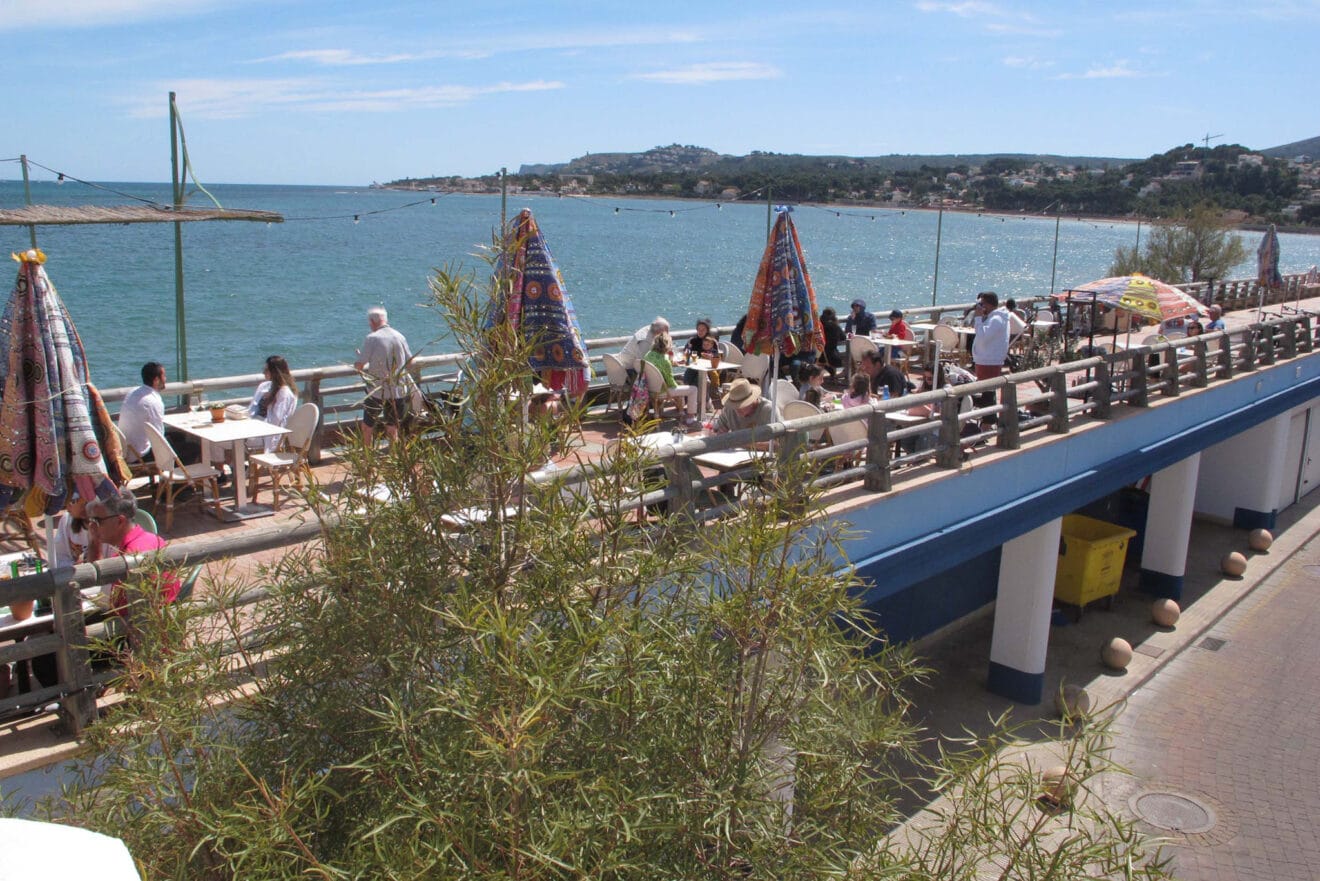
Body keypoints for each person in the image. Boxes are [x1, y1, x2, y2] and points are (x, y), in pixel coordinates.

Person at [86, 487, 181, 621]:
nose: (92, 527)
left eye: (97, 521)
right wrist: (94, 541)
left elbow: (120, 612)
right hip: (155, 623)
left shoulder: (131, 557)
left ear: (120, 521)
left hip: (141, 630)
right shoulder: (149, 539)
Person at [354, 306, 413, 445]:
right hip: (398, 390)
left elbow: (359, 365)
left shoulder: (372, 338)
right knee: (392, 427)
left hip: (377, 390)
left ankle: (367, 457)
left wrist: (359, 360)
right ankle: (394, 455)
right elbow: (410, 362)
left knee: (367, 426)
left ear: (372, 322)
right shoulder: (399, 336)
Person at [246, 355, 299, 452]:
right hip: (254, 424)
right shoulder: (265, 386)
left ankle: (234, 465)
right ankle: (230, 465)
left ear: (275, 372)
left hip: (264, 432)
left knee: (230, 441)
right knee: (218, 440)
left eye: (266, 370)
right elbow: (251, 409)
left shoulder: (284, 393)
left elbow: (275, 421)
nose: (263, 372)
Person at [642, 334, 697, 425]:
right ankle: (690, 417)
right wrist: (680, 387)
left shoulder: (648, 355)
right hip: (662, 391)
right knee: (693, 389)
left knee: (681, 384)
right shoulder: (665, 359)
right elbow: (671, 382)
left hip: (650, 390)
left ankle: (680, 409)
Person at [117, 361, 167, 463]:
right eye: (164, 376)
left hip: (127, 451)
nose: (165, 379)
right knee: (194, 447)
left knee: (178, 437)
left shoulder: (133, 392)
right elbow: (159, 438)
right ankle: (179, 477)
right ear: (156, 380)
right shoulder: (153, 402)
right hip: (140, 456)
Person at [712, 378, 778, 435]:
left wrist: (736, 441)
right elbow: (716, 430)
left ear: (752, 401)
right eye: (734, 406)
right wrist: (719, 433)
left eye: (741, 405)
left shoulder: (769, 410)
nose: (737, 410)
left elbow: (778, 443)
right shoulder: (729, 409)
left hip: (761, 450)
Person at [50, 490, 93, 569]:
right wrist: (74, 567)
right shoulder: (67, 520)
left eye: (72, 501)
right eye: (66, 501)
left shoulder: (103, 527)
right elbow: (59, 556)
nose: (67, 506)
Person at [818, 308, 845, 378]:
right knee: (850, 358)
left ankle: (831, 373)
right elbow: (843, 337)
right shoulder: (835, 327)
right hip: (833, 358)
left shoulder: (818, 327)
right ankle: (847, 376)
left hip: (819, 357)